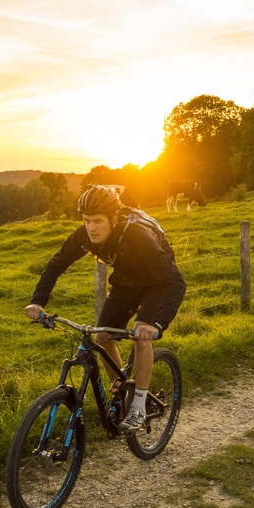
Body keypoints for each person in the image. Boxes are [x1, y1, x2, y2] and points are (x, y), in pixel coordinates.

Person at [24, 185, 186, 432]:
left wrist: (157, 324)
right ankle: (121, 392)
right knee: (102, 338)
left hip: (157, 283)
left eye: (98, 221)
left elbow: (175, 282)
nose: (91, 227)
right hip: (126, 282)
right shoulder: (83, 235)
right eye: (87, 220)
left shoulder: (138, 235)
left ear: (113, 219)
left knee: (140, 334)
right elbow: (56, 264)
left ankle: (138, 407)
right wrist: (38, 302)